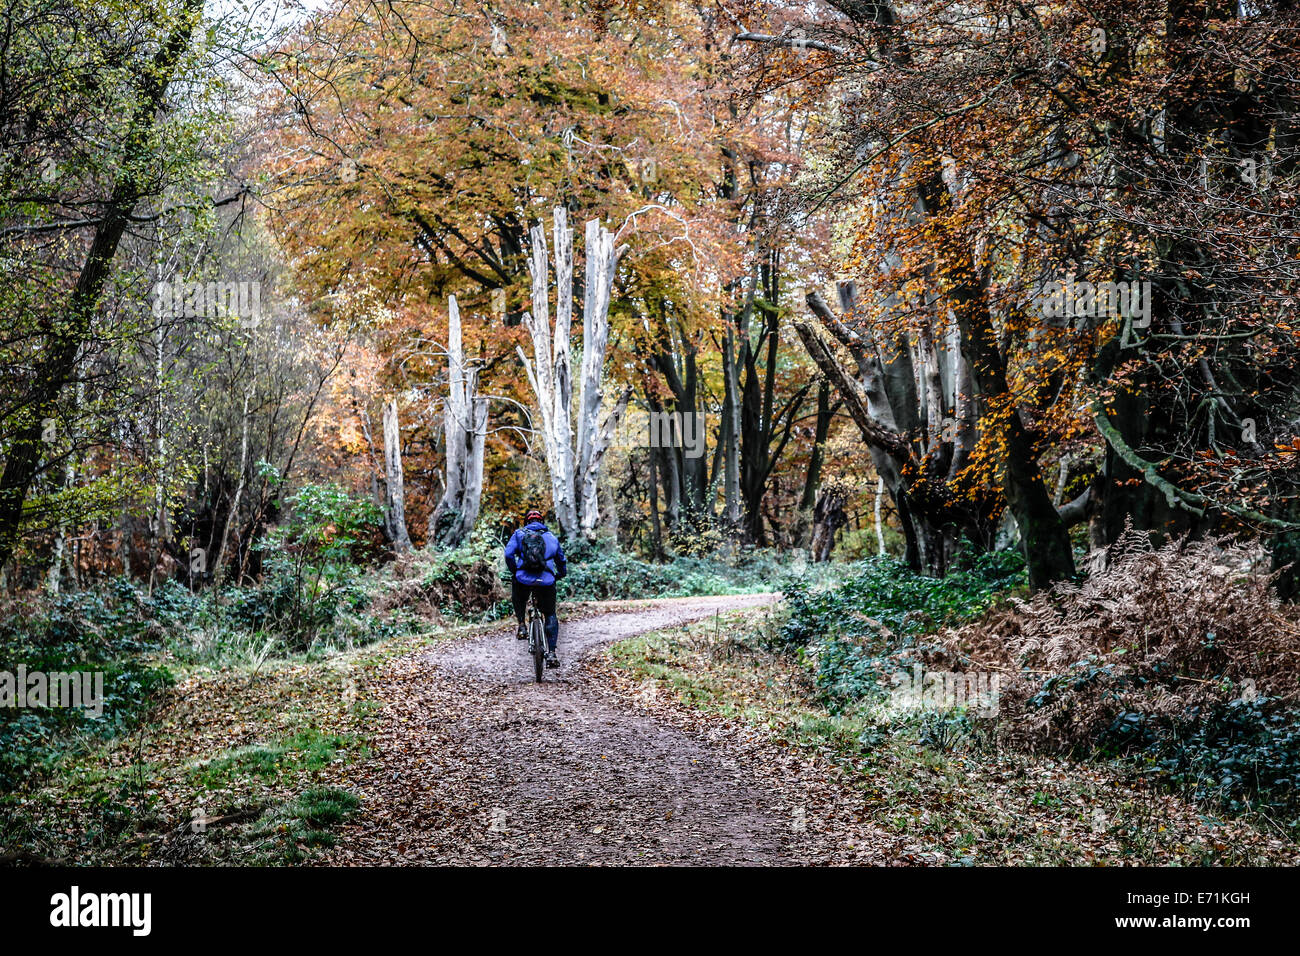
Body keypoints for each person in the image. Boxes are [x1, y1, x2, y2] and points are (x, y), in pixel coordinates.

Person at [504, 509, 567, 667]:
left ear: (526, 522)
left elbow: (508, 554)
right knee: (550, 613)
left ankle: (522, 626)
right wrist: (560, 574)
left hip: (523, 578)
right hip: (546, 580)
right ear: (542, 522)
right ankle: (552, 653)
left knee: (519, 597)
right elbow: (561, 559)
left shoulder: (519, 534)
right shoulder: (551, 537)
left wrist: (515, 571)